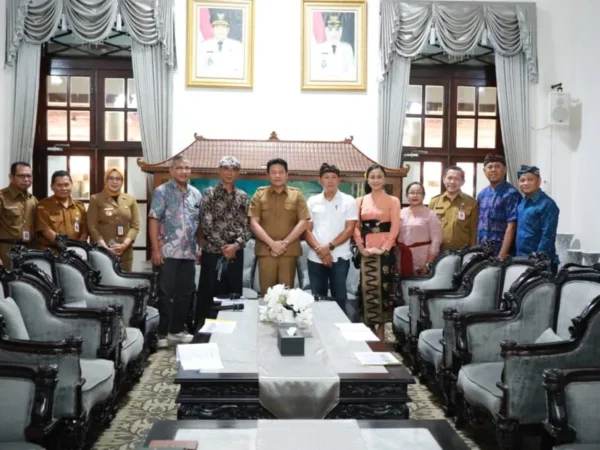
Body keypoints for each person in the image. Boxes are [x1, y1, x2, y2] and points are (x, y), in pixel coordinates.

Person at [149, 156, 202, 348]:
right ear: (171, 171)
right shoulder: (161, 192)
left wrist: (199, 248)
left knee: (185, 293)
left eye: (187, 168)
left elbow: (199, 224)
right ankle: (162, 332)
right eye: (179, 168)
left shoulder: (196, 194)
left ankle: (177, 330)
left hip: (189, 253)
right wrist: (155, 249)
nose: (183, 171)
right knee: (165, 293)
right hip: (167, 252)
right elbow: (154, 219)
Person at [195, 156, 251, 330]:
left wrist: (235, 246)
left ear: (238, 173)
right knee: (208, 293)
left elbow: (248, 227)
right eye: (226, 168)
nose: (229, 172)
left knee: (232, 294)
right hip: (212, 252)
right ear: (219, 171)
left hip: (235, 254)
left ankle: (232, 333)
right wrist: (223, 247)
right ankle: (204, 333)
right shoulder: (209, 194)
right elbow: (206, 225)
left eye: (233, 169)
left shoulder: (243, 197)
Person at [249, 158, 310, 296]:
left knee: (286, 295)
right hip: (266, 252)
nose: (277, 175)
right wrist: (272, 244)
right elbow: (253, 223)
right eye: (273, 172)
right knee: (267, 294)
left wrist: (283, 244)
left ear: (287, 174)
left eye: (281, 172)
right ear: (268, 174)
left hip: (288, 251)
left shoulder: (297, 195)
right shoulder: (259, 194)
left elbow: (303, 222)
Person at [354, 164, 400, 341]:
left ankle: (381, 332)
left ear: (384, 179)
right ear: (367, 179)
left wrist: (385, 247)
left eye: (379, 177)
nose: (376, 180)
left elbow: (395, 227)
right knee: (366, 289)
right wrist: (361, 247)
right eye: (372, 177)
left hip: (385, 252)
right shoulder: (359, 201)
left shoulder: (393, 201)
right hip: (366, 251)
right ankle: (368, 331)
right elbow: (355, 227)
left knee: (384, 290)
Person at [304, 163, 357, 302]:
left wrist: (329, 247)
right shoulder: (312, 201)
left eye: (334, 177)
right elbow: (307, 229)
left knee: (340, 299)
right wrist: (321, 252)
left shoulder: (349, 201)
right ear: (320, 180)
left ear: (339, 180)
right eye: (326, 177)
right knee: (318, 299)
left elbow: (349, 229)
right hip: (316, 257)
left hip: (340, 257)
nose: (330, 181)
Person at [87, 167, 140, 271]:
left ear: (122, 181)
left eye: (118, 179)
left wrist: (124, 245)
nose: (114, 182)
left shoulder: (130, 199)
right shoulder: (95, 199)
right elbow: (92, 227)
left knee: (124, 279)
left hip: (124, 251)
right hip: (102, 251)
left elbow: (135, 226)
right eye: (111, 178)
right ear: (105, 180)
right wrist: (105, 248)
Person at [515, 165, 560, 274]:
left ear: (539, 181)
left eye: (530, 179)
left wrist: (538, 260)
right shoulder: (522, 203)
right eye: (522, 180)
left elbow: (547, 236)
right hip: (521, 259)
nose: (526, 183)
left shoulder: (547, 204)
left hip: (540, 263)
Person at [477, 155, 521, 259]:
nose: (493, 170)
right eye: (490, 167)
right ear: (484, 171)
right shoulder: (482, 194)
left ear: (505, 169)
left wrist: (502, 255)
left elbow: (512, 226)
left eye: (497, 166)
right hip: (482, 250)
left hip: (502, 252)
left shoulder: (511, 194)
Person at [428, 166, 478, 252]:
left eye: (456, 179)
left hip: (461, 252)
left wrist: (472, 252)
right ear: (444, 179)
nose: (452, 182)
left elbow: (474, 231)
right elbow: (428, 228)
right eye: (449, 178)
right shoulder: (434, 201)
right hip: (437, 251)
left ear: (462, 182)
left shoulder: (471, 203)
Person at [396, 182, 442, 276]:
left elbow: (436, 240)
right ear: (407, 195)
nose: (415, 195)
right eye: (412, 192)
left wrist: (429, 263)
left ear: (423, 195)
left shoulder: (431, 214)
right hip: (401, 257)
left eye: (418, 192)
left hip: (422, 259)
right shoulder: (400, 213)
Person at [36, 170, 88, 250]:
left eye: (66, 185)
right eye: (59, 185)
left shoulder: (79, 206)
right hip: (52, 252)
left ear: (71, 185)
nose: (63, 188)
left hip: (76, 251)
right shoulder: (43, 206)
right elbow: (45, 230)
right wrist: (65, 247)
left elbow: (84, 232)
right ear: (52, 187)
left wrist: (77, 248)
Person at [0, 162, 38, 268]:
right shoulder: (2, 198)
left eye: (29, 176)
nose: (26, 179)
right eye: (21, 176)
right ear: (11, 177)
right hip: (7, 250)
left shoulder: (33, 200)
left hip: (29, 250)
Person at [197, 12, 243, 78]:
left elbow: (240, 71)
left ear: (228, 30)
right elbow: (199, 69)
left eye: (223, 27)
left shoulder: (237, 47)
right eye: (217, 27)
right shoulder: (203, 46)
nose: (220, 31)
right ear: (212, 29)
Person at [312, 14, 355, 80]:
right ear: (326, 30)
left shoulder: (347, 49)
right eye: (330, 29)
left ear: (341, 30)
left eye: (337, 29)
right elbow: (315, 74)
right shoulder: (318, 49)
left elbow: (351, 74)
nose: (334, 33)